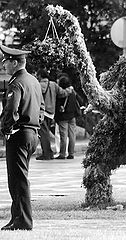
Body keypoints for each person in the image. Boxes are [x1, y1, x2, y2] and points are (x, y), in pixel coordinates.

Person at [0, 45, 45, 231]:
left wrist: (5, 127)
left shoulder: (17, 82)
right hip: (31, 133)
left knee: (18, 180)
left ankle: (23, 221)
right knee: (18, 178)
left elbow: (11, 110)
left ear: (15, 62)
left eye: (6, 61)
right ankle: (17, 217)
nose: (3, 65)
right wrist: (35, 125)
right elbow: (41, 109)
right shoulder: (33, 80)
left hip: (19, 134)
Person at [36, 68, 73, 160]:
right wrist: (70, 89)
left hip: (42, 112)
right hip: (51, 113)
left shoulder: (37, 85)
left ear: (40, 76)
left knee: (43, 134)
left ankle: (47, 153)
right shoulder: (53, 84)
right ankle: (48, 152)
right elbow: (63, 93)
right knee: (46, 133)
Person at [54, 74, 83, 159]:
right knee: (72, 136)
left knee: (63, 136)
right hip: (72, 116)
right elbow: (80, 100)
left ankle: (62, 154)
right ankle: (71, 153)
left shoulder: (61, 93)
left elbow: (58, 105)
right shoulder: (73, 92)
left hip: (63, 117)